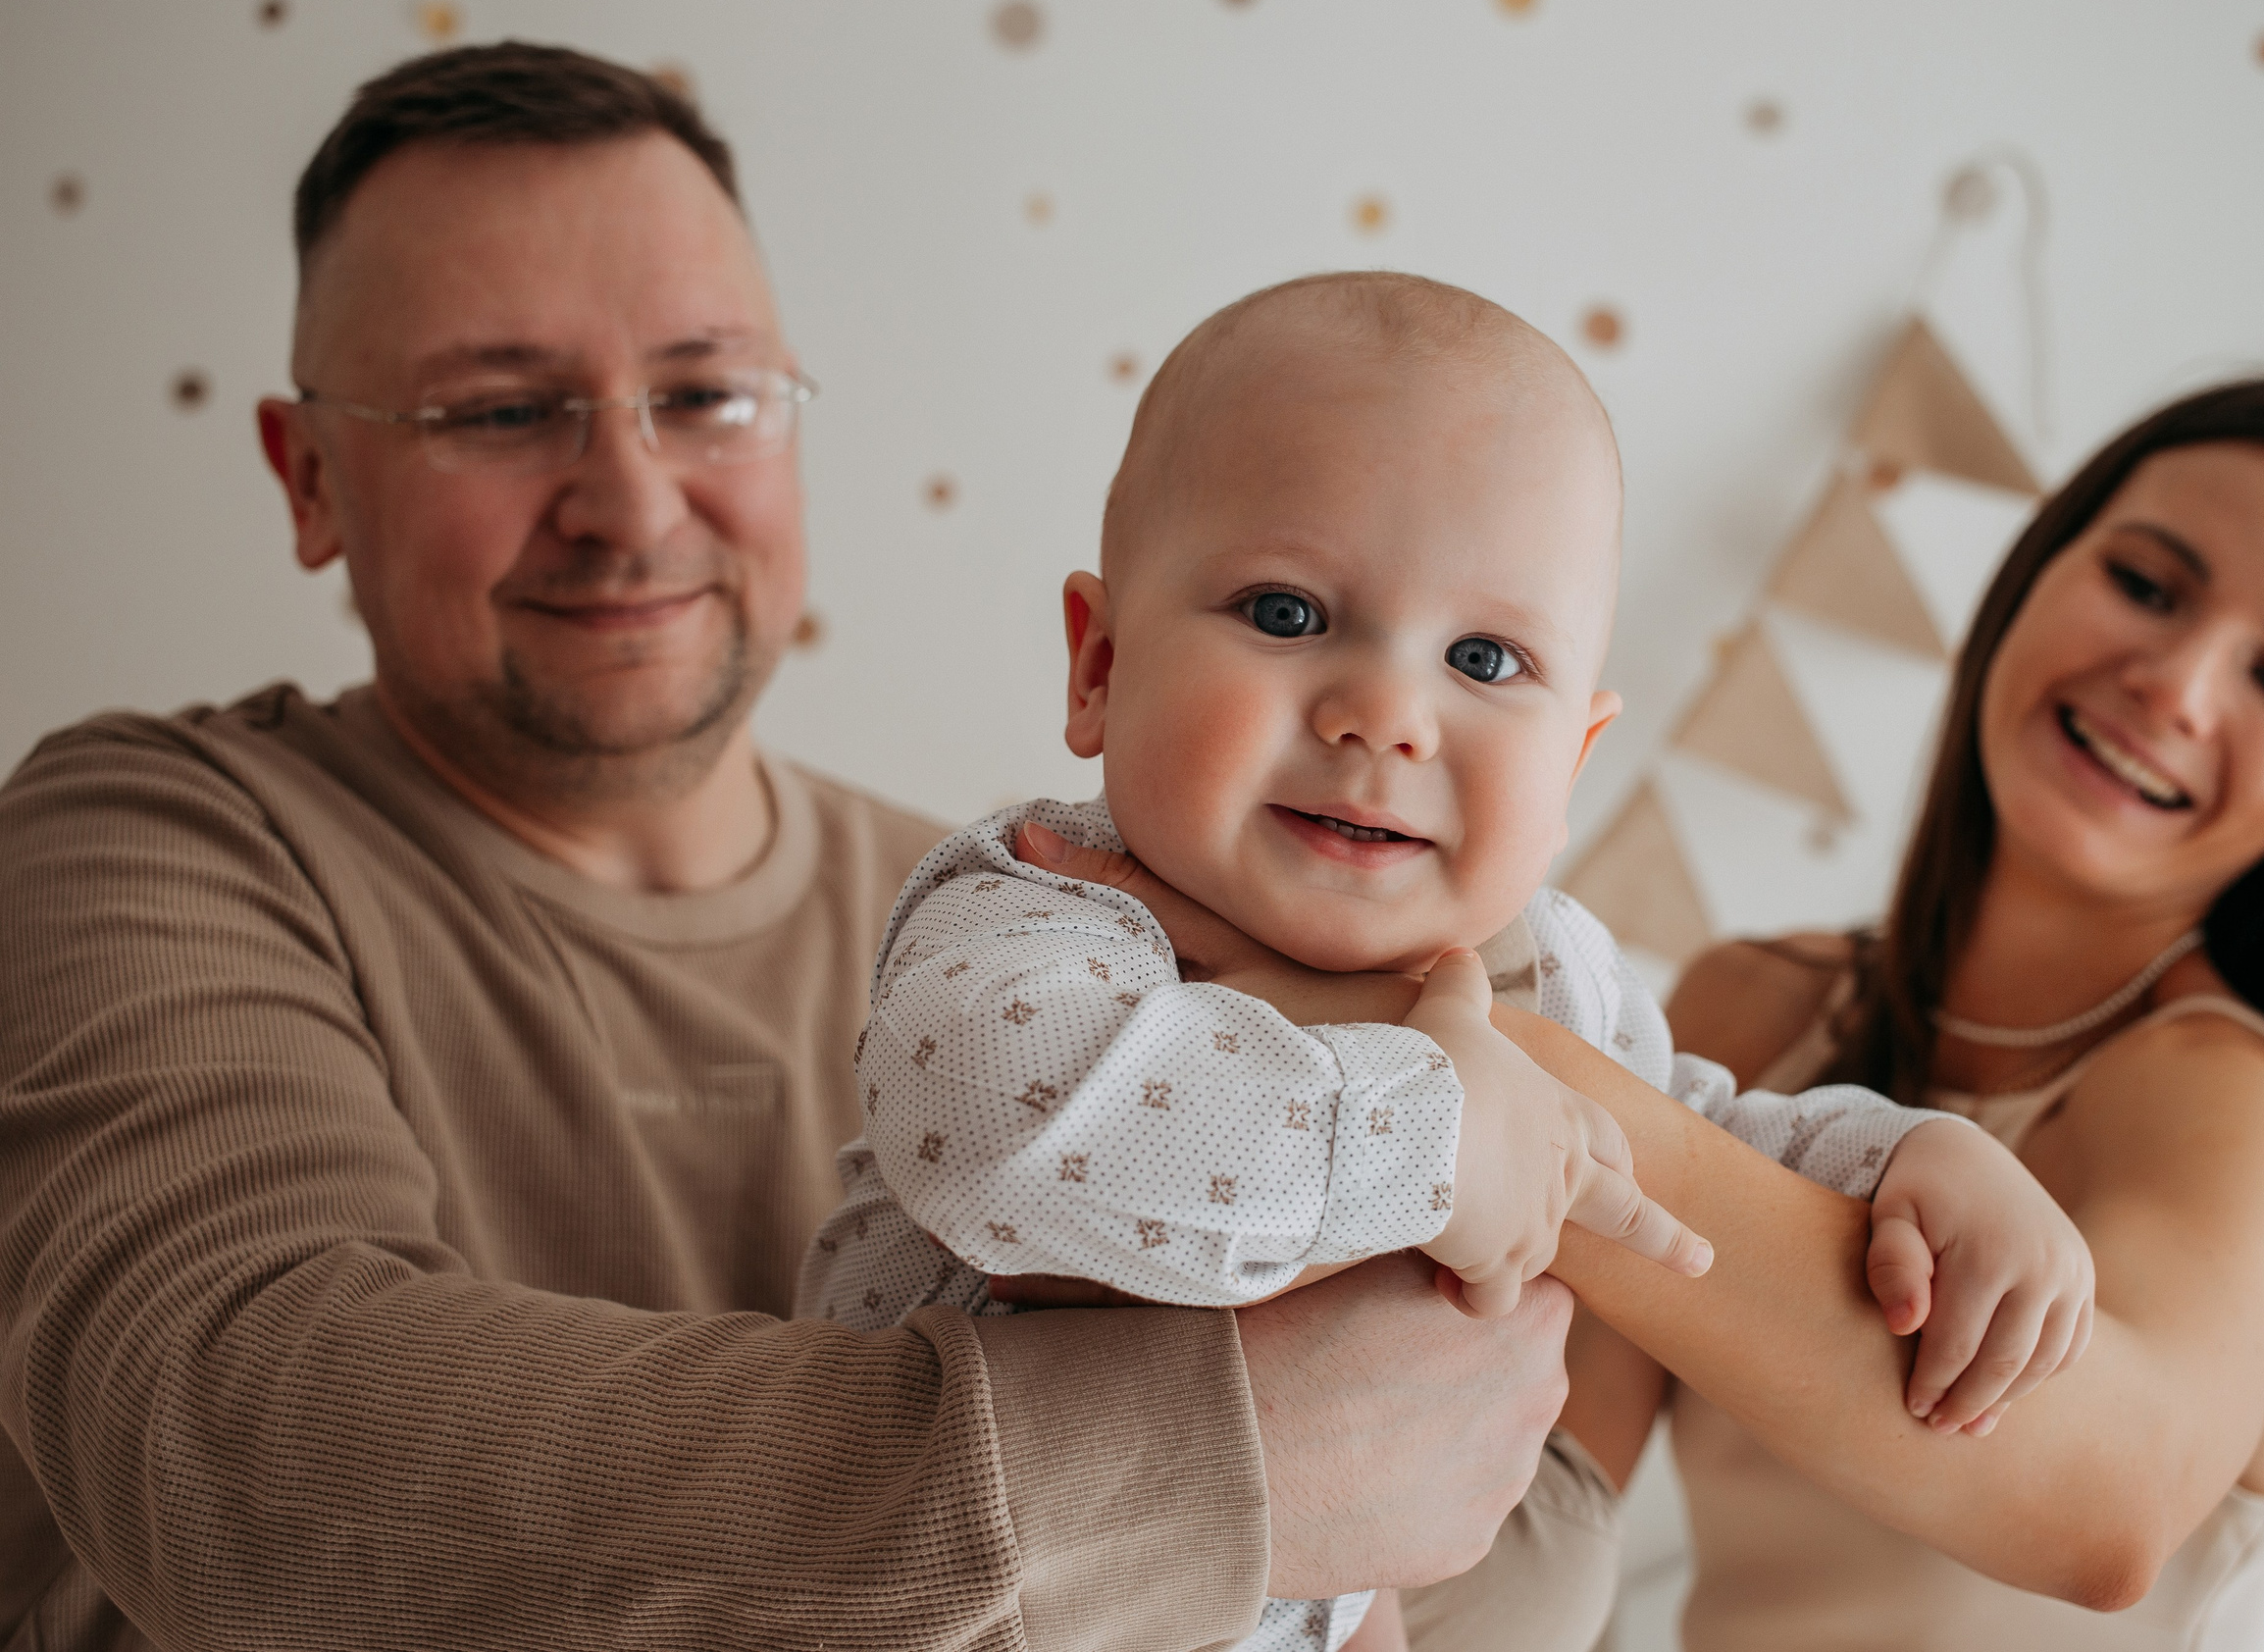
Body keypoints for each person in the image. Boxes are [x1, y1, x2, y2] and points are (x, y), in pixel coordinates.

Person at [0, 45, 1589, 1651]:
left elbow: (1462, 1495)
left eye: (703, 395)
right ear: (309, 476)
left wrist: (1839, 1179)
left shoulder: (1068, 928)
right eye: (497, 411)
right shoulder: (151, 843)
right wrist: (1195, 1466)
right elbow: (234, 1456)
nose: (630, 501)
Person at [798, 273, 2096, 1652]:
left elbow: (1692, 1137)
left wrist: (1899, 1164)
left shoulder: (1545, 973)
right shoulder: (1045, 907)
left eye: (1485, 658)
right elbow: (997, 1127)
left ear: (1575, 762)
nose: (1386, 715)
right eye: (1288, 615)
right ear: (1102, 666)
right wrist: (1438, 1129)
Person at [1553, 376, 2264, 1648]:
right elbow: (1543, 1501)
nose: (2175, 685)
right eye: (2149, 587)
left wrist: (1528, 1082)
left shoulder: (2240, 1100)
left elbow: (2111, 1513)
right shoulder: (1761, 1001)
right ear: (2028, 584)